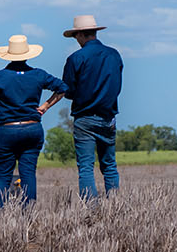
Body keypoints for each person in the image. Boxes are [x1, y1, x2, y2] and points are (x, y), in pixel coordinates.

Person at [40, 15, 123, 200]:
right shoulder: (114, 54)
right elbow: (117, 85)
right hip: (109, 117)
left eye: (76, 37)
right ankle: (116, 207)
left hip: (84, 117)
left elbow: (68, 90)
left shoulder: (75, 58)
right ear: (94, 32)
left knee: (85, 167)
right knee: (109, 165)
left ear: (80, 35)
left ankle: (90, 209)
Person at [0, 34, 67, 207]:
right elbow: (62, 88)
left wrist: (6, 106)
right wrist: (45, 106)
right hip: (32, 129)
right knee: (28, 173)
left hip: (7, 129)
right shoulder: (38, 74)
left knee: (2, 176)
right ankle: (28, 213)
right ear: (28, 54)